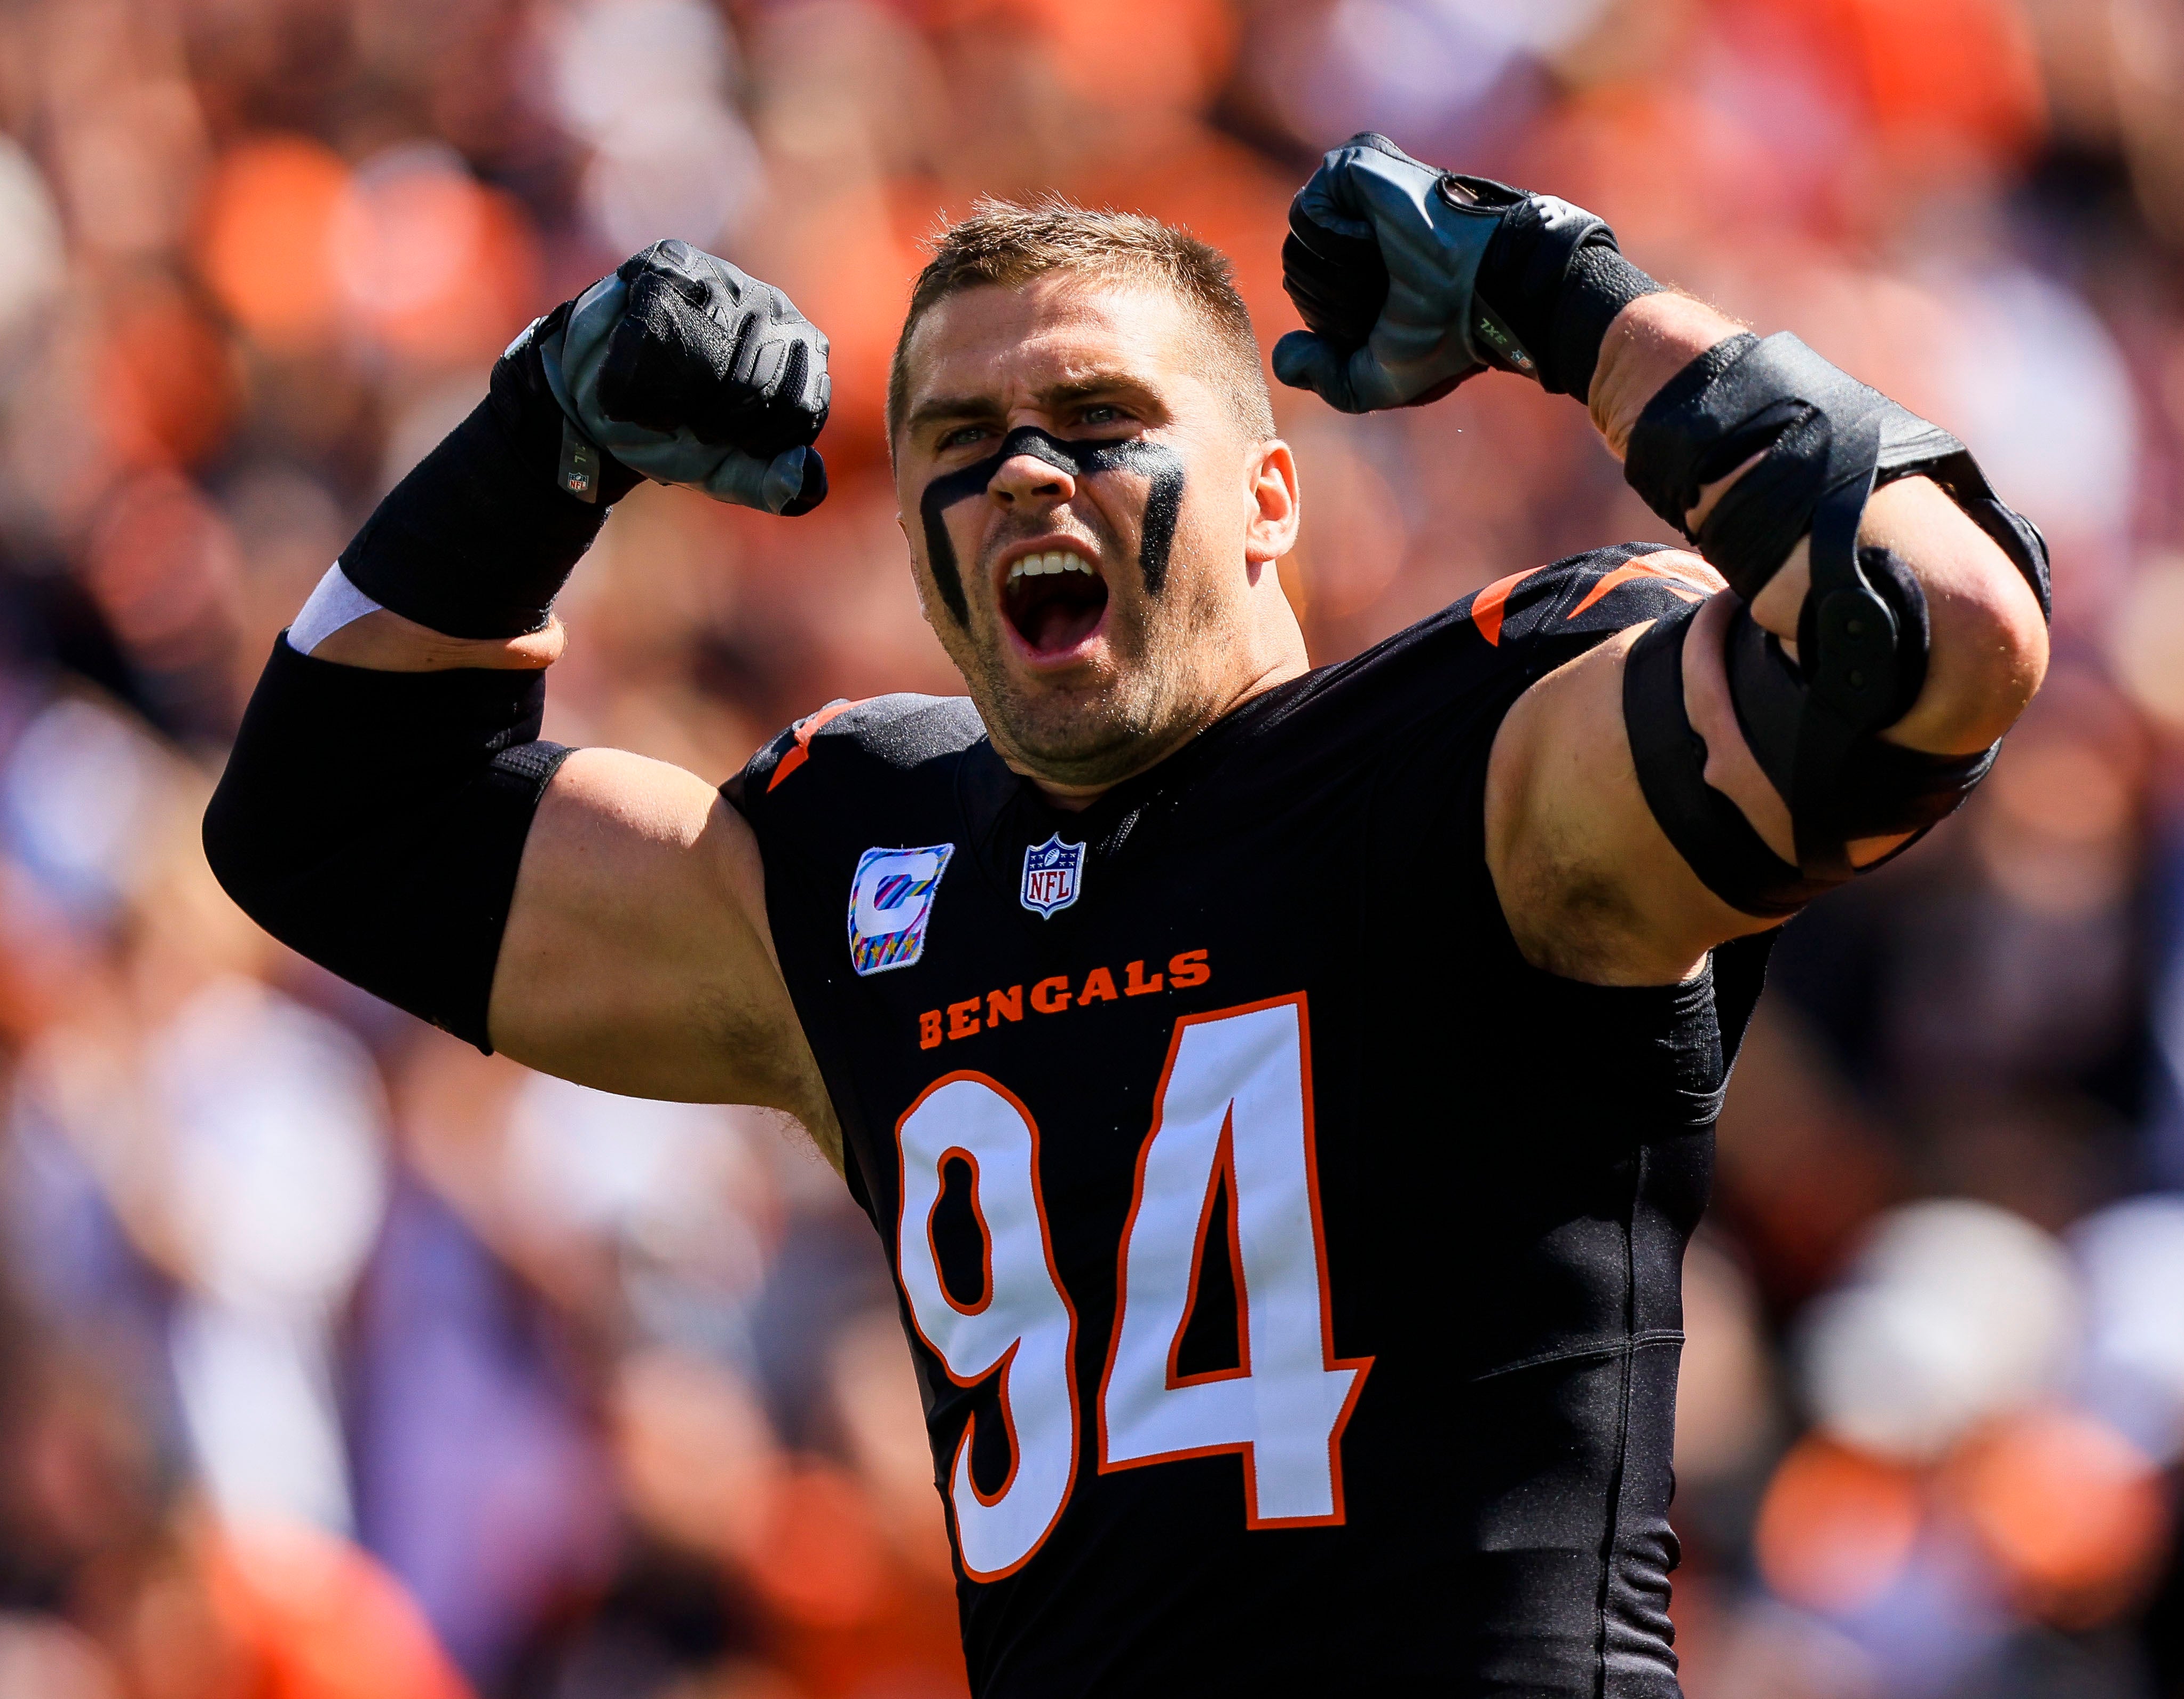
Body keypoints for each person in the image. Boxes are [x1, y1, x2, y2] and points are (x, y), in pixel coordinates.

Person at [204, 136, 2049, 1697]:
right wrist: (538, 441)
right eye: (963, 435)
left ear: (1269, 503)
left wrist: (1561, 294)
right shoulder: (863, 865)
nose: (1025, 470)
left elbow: (1922, 637)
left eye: (1097, 418)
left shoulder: (1470, 765)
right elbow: (324, 824)